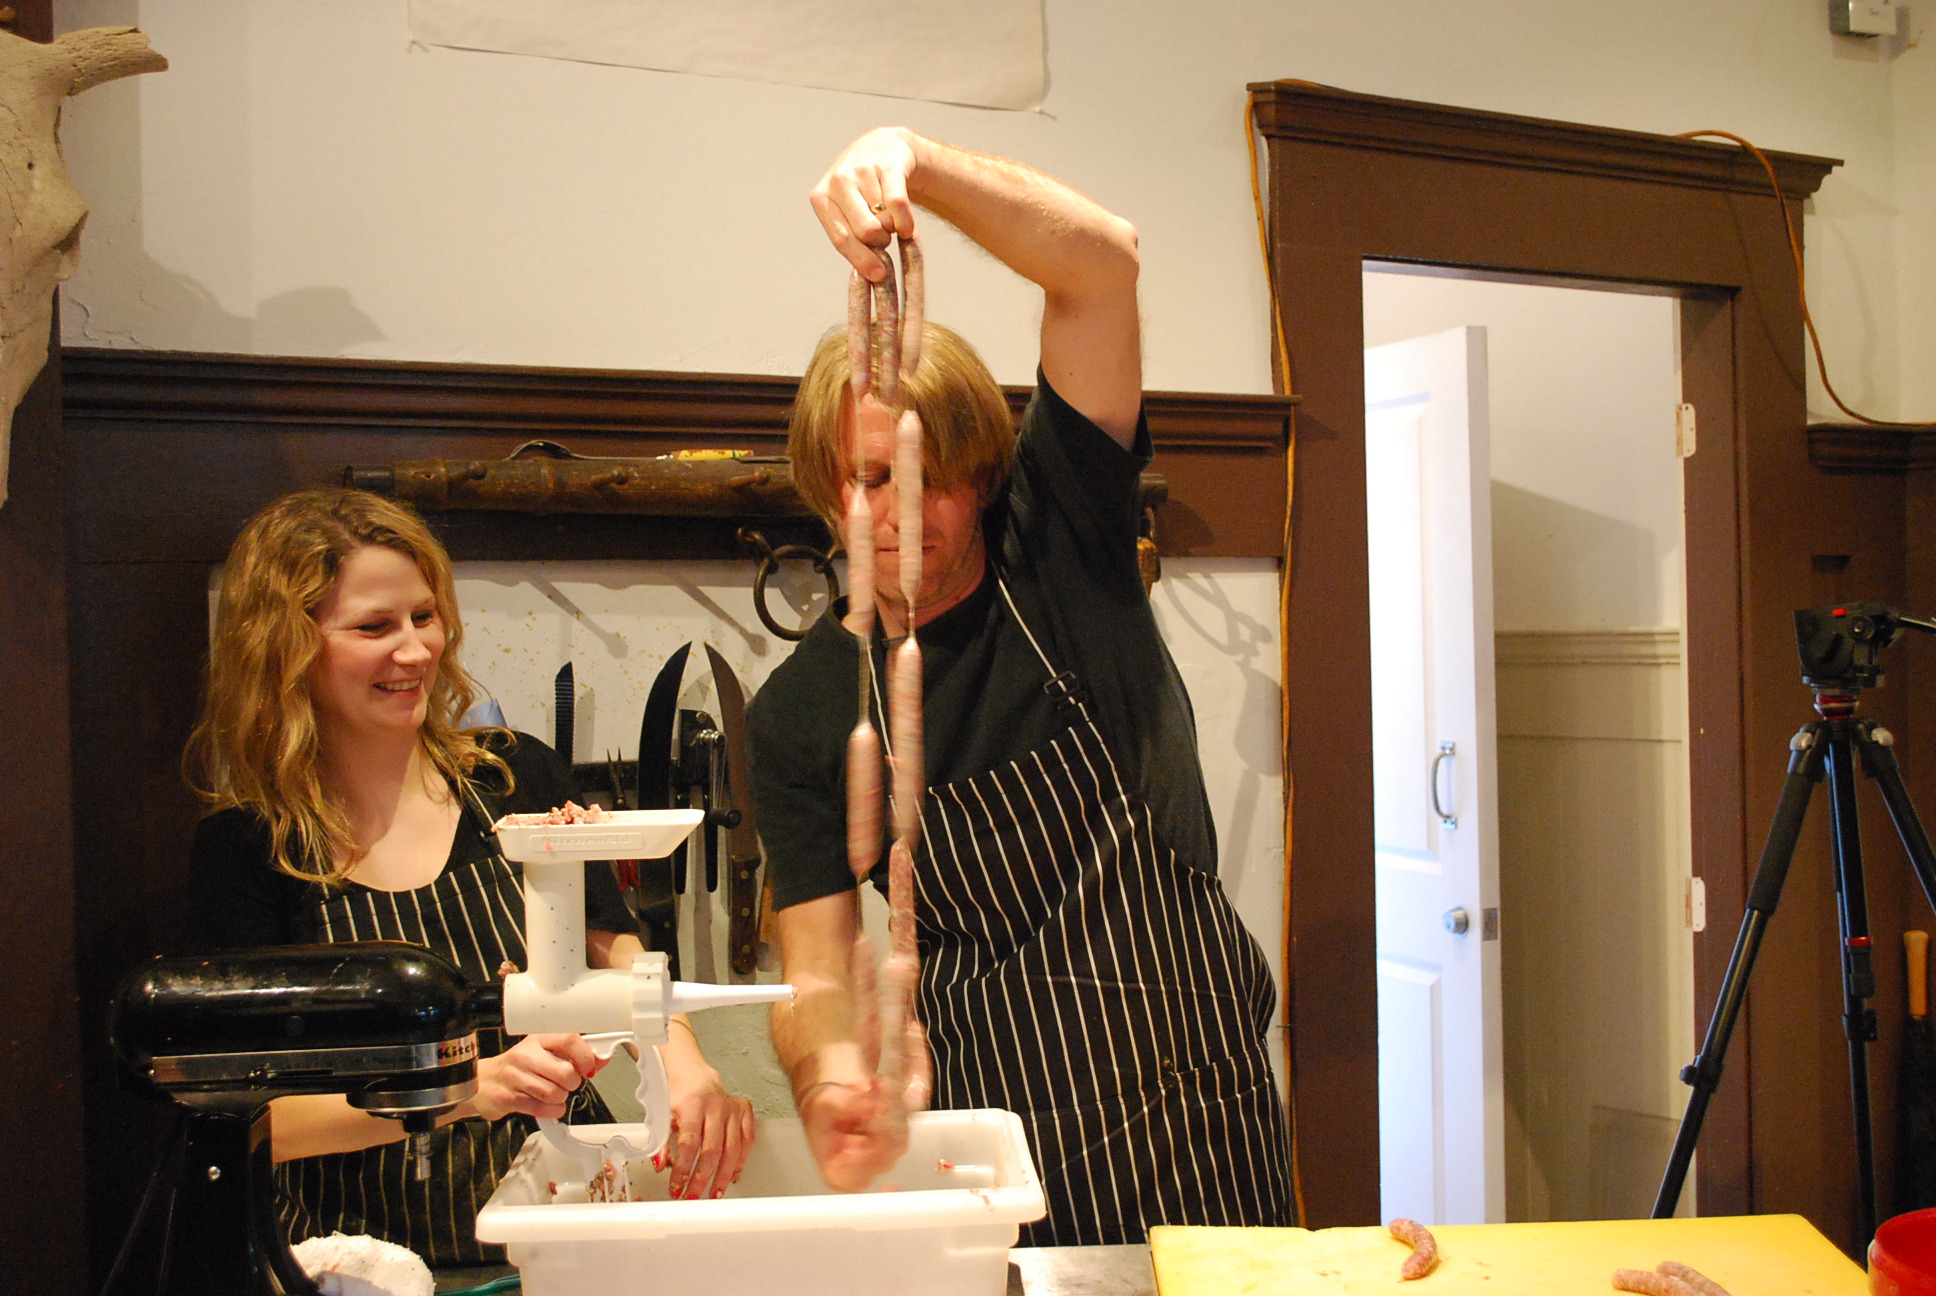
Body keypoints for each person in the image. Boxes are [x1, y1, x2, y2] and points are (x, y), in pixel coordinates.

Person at [749, 128, 1296, 1247]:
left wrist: (916, 160)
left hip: (1204, 1115)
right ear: (824, 482)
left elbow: (1103, 264)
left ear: (987, 477)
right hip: (1002, 1145)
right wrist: (832, 1075)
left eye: (939, 479)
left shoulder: (1062, 549)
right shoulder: (802, 713)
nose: (905, 513)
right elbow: (816, 969)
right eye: (873, 478)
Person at [180, 487, 754, 1267]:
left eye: (424, 617)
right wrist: (465, 1089)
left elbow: (610, 948)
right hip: (368, 1257)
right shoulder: (250, 848)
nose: (415, 650)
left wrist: (686, 1066)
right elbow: (253, 1121)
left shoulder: (513, 778)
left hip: (560, 1223)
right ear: (287, 647)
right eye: (374, 627)